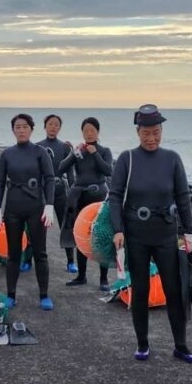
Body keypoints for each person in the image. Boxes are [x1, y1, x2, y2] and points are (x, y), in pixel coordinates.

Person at [108, 105, 192, 363]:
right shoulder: (128, 158)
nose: (151, 138)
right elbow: (115, 196)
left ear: (162, 131)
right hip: (135, 234)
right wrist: (118, 230)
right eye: (146, 132)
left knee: (174, 290)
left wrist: (189, 231)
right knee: (141, 290)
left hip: (166, 235)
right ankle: (142, 344)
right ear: (138, 132)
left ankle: (181, 345)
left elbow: (183, 197)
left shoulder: (172, 158)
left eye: (156, 132)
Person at [0, 113, 55, 309]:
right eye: (18, 127)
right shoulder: (7, 154)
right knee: (13, 254)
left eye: (25, 126)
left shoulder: (40, 152)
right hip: (13, 210)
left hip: (36, 208)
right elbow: (0, 182)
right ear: (13, 130)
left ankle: (44, 295)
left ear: (31, 129)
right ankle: (11, 295)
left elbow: (50, 178)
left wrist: (49, 205)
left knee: (40, 253)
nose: (21, 130)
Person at [58, 117, 114, 291]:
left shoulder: (105, 150)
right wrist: (72, 153)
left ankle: (104, 279)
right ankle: (81, 276)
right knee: (81, 234)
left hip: (98, 195)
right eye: (85, 130)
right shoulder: (79, 152)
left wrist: (94, 153)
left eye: (92, 130)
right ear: (82, 133)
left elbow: (108, 170)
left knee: (101, 235)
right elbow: (60, 168)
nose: (88, 133)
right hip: (79, 197)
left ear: (98, 132)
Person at [37, 114, 77, 272]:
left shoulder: (65, 147)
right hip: (42, 192)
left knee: (66, 225)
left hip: (60, 191)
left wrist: (74, 192)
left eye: (56, 125)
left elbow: (71, 173)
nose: (53, 127)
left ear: (59, 128)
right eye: (50, 124)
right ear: (45, 126)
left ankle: (70, 261)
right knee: (37, 228)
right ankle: (28, 259)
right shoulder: (37, 147)